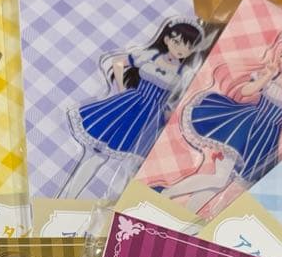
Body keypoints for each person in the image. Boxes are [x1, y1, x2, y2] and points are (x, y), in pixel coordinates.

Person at [161, 32, 282, 214]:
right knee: (220, 179)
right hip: (245, 126)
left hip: (266, 139)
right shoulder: (270, 76)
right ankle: (168, 193)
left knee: (223, 182)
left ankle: (188, 212)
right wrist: (267, 76)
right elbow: (247, 91)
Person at [58, 18, 204, 199]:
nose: (181, 49)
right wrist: (121, 88)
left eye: (188, 46)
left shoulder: (184, 73)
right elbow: (119, 62)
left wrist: (169, 113)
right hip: (128, 105)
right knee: (98, 154)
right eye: (177, 42)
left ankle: (109, 203)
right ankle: (68, 197)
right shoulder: (150, 56)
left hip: (150, 118)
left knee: (130, 167)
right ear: (167, 39)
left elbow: (182, 98)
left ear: (193, 50)